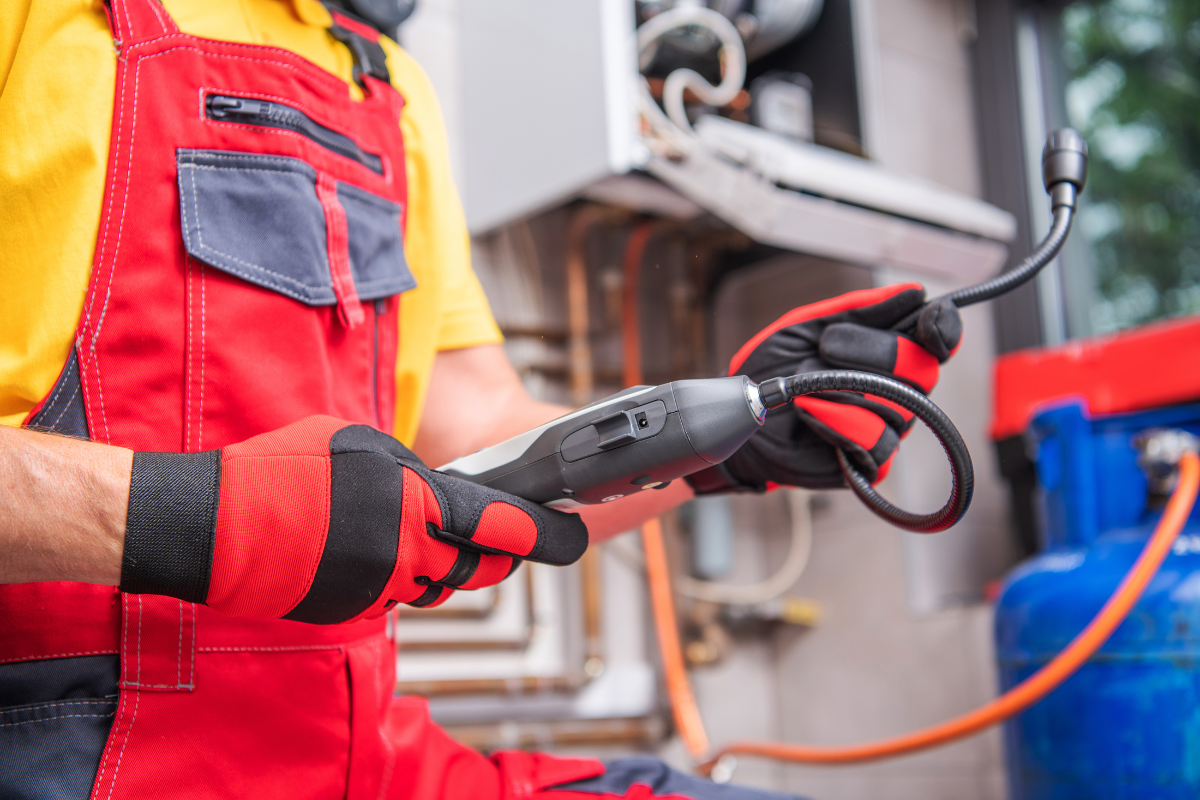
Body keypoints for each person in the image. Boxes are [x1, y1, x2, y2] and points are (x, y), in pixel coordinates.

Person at [0, 1, 962, 797]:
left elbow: (494, 450)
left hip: (359, 760)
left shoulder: (391, 88)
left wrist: (733, 441)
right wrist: (195, 519)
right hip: (57, 743)